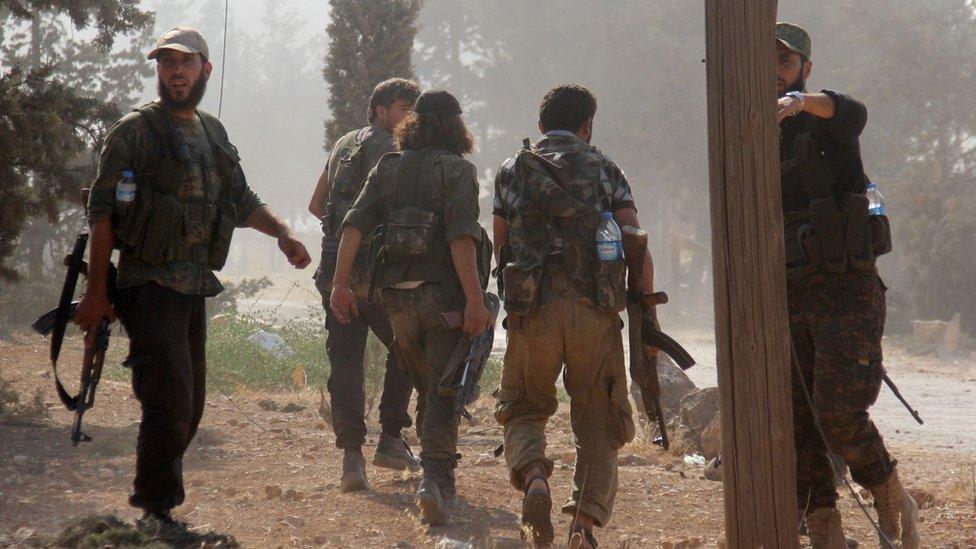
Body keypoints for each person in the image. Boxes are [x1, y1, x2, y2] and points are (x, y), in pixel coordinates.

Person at [73, 26, 311, 530]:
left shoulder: (212, 132)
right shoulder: (135, 131)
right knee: (169, 397)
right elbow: (100, 214)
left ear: (206, 69)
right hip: (147, 285)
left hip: (193, 286)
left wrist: (284, 234)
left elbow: (242, 200)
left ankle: (159, 506)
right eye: (166, 63)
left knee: (191, 402)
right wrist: (95, 292)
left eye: (184, 63)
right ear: (159, 71)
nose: (175, 72)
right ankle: (155, 510)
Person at [492, 84, 656, 549]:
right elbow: (634, 237)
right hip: (594, 312)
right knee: (599, 419)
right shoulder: (605, 168)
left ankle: (535, 477)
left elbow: (501, 243)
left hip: (532, 311)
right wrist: (645, 312)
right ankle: (583, 525)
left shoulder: (512, 170)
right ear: (588, 126)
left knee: (523, 407)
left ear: (541, 126)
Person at [775, 22, 919, 549]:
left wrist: (799, 102)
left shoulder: (828, 120)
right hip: (787, 295)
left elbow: (851, 110)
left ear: (805, 69)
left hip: (845, 290)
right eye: (766, 63)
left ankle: (885, 487)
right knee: (799, 423)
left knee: (838, 411)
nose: (775, 73)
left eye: (785, 63)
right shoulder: (753, 133)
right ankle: (824, 528)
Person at [329, 89, 493, 526]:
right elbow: (462, 239)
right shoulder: (458, 171)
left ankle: (435, 472)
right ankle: (435, 479)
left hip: (396, 302)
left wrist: (340, 284)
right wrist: (476, 302)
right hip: (444, 302)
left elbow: (353, 226)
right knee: (444, 389)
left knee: (426, 383)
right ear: (457, 128)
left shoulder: (389, 166)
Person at [308, 78, 422, 491]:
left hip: (334, 269)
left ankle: (351, 457)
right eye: (403, 108)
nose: (411, 116)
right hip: (378, 274)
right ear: (380, 110)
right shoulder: (395, 150)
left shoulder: (342, 144)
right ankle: (391, 436)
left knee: (345, 361)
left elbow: (316, 203)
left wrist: (339, 236)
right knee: (409, 347)